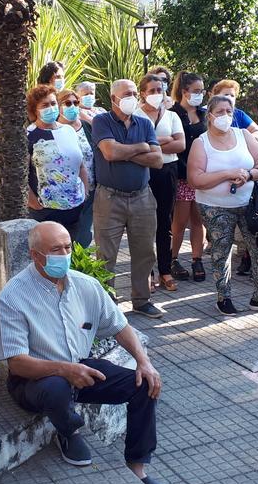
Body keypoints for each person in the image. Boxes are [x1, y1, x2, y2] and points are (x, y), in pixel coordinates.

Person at [0, 221, 174, 484]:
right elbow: (17, 363)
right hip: (36, 378)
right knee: (56, 388)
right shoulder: (13, 297)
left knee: (143, 383)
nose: (64, 254)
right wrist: (65, 369)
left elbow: (121, 326)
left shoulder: (86, 286)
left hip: (81, 366)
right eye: (55, 250)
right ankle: (68, 431)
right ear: (35, 256)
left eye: (67, 247)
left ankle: (138, 465)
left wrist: (143, 361)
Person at [188, 94, 258, 316]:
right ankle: (224, 297)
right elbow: (195, 179)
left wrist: (248, 174)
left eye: (229, 112)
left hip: (250, 203)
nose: (225, 116)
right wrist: (227, 174)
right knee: (221, 251)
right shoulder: (200, 143)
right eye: (220, 112)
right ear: (210, 115)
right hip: (215, 206)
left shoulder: (244, 135)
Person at [91, 79, 163, 318]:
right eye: (127, 94)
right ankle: (107, 303)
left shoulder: (144, 123)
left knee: (144, 252)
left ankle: (142, 300)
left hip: (142, 197)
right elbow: (109, 152)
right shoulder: (102, 121)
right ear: (113, 99)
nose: (133, 97)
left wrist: (126, 151)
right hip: (109, 198)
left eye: (134, 93)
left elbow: (158, 160)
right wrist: (141, 147)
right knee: (106, 254)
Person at [141, 74, 184, 292]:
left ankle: (165, 270)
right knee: (144, 224)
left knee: (165, 221)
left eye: (160, 89)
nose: (158, 94)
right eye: (152, 90)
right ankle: (146, 272)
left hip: (168, 170)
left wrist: (153, 144)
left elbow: (181, 144)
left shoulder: (172, 116)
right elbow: (137, 146)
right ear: (143, 93)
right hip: (144, 171)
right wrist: (165, 141)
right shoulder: (136, 116)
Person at [26, 84, 89, 233]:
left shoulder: (68, 130)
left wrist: (85, 192)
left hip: (75, 208)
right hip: (45, 211)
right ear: (35, 109)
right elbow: (21, 174)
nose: (51, 108)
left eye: (53, 103)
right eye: (45, 105)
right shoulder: (29, 135)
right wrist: (33, 202)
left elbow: (81, 166)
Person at [169, 72, 207, 283]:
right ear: (184, 92)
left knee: (198, 219)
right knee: (180, 220)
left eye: (202, 91)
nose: (200, 95)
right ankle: (173, 258)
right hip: (182, 174)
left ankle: (197, 258)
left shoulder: (203, 114)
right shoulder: (173, 113)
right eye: (196, 91)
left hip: (202, 174)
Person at [58, 88, 96, 248]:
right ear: (58, 106)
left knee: (84, 235)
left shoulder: (87, 127)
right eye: (67, 103)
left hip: (90, 192)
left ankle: (80, 268)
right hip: (65, 195)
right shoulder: (54, 130)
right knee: (65, 236)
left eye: (76, 102)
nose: (72, 106)